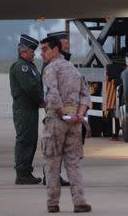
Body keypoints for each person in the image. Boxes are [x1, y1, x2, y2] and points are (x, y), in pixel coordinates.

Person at [39, 35, 91, 213]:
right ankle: (79, 201)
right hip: (75, 122)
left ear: (56, 49)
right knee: (73, 162)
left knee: (52, 162)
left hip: (56, 120)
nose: (42, 53)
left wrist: (62, 113)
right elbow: (85, 95)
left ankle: (52, 203)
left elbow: (52, 94)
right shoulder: (73, 69)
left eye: (45, 49)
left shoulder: (51, 69)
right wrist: (79, 114)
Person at [10, 34, 44, 185]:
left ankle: (26, 172)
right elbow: (30, 87)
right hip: (24, 107)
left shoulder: (29, 65)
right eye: (31, 51)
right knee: (25, 139)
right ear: (23, 52)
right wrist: (41, 101)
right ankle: (22, 173)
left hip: (30, 107)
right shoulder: (21, 67)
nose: (34, 54)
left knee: (31, 139)